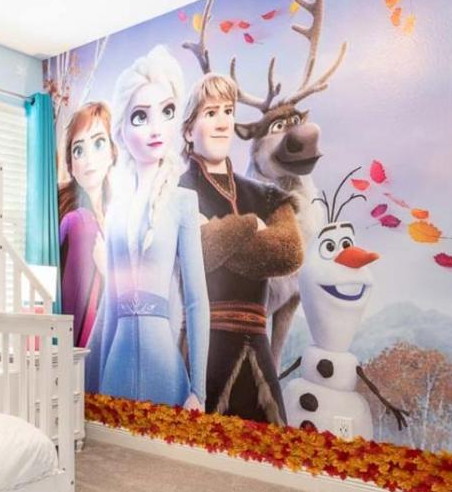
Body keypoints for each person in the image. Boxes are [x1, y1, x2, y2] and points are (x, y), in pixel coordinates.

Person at [178, 73, 303, 423]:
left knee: (271, 448)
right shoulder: (177, 192)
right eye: (210, 113)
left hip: (259, 349)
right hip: (202, 351)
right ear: (188, 131)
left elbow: (289, 252)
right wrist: (250, 225)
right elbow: (199, 253)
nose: (223, 123)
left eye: (228, 111)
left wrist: (218, 233)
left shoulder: (264, 194)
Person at [94, 46, 208, 409]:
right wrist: (91, 386)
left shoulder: (183, 201)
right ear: (122, 130)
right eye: (140, 116)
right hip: (115, 368)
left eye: (167, 111)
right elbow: (109, 305)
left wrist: (199, 390)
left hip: (165, 371)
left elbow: (197, 301)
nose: (156, 128)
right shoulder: (116, 210)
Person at [58, 102, 116, 391]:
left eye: (98, 143)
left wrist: (108, 271)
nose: (88, 158)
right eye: (78, 150)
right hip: (82, 340)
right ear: (71, 164)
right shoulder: (76, 220)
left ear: (113, 152)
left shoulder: (119, 215)